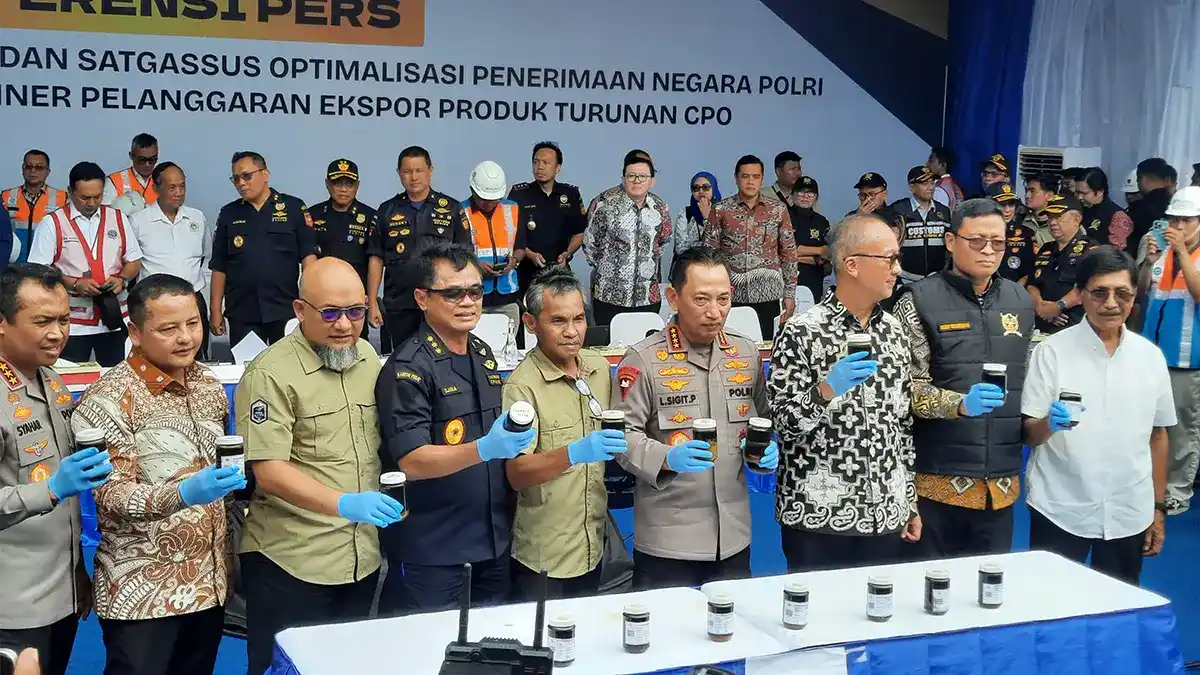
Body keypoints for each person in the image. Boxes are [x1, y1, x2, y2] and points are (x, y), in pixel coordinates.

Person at [235, 257, 401, 675]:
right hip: (292, 561)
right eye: (329, 313)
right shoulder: (270, 373)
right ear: (299, 310)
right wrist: (344, 503)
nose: (343, 325)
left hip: (358, 558)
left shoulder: (364, 355)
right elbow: (269, 471)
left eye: (355, 312)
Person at [71, 274, 243, 675]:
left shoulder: (210, 386)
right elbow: (108, 497)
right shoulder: (108, 400)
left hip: (209, 584)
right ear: (135, 330)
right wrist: (183, 493)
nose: (185, 337)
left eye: (193, 323)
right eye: (168, 329)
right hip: (142, 595)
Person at [375, 243, 533, 613]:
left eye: (474, 291)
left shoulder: (481, 351)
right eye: (452, 293)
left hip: (492, 540)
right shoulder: (408, 367)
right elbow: (412, 461)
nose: (467, 302)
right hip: (435, 550)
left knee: (491, 652)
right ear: (422, 298)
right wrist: (483, 449)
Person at [612, 245, 777, 588]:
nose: (715, 312)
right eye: (701, 299)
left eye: (724, 299)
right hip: (668, 544)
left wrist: (764, 453)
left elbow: (761, 422)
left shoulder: (745, 353)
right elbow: (622, 436)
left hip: (733, 538)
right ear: (673, 297)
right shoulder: (643, 359)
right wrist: (667, 457)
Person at [769, 214, 920, 571]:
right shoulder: (802, 332)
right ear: (851, 265)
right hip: (817, 517)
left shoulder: (896, 331)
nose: (897, 270)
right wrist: (826, 390)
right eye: (889, 259)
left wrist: (908, 500)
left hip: (885, 514)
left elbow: (902, 424)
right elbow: (783, 424)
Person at [893, 199, 1034, 557]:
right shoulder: (918, 299)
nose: (988, 250)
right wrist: (960, 405)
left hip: (1000, 484)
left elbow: (1028, 383)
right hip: (935, 479)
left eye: (998, 242)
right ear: (951, 241)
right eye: (977, 241)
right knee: (928, 595)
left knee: (988, 596)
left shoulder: (1020, 301)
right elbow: (905, 390)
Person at [1023, 247, 1173, 585]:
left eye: (1123, 293)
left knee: (1118, 613)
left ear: (1135, 297)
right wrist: (1050, 424)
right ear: (1081, 294)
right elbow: (1029, 433)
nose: (1111, 303)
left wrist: (1158, 507)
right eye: (1099, 292)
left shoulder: (1150, 358)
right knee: (1050, 607)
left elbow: (1158, 435)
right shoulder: (1052, 352)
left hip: (1128, 510)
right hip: (1060, 506)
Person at [0, 263, 112, 675]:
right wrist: (48, 490)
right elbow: (52, 492)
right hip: (11, 609)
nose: (57, 333)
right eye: (42, 321)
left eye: (64, 319)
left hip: (59, 596)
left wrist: (77, 573)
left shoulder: (51, 378)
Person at [502, 266, 622, 600]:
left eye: (579, 319)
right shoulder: (522, 387)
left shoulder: (599, 368)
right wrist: (573, 453)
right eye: (558, 321)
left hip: (592, 544)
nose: (572, 332)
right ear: (531, 323)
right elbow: (516, 472)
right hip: (544, 557)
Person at [27, 162, 143, 367]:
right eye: (85, 197)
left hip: (114, 319)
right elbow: (38, 271)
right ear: (70, 192)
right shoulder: (52, 223)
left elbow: (134, 261)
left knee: (117, 379)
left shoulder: (117, 218)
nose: (91, 203)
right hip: (72, 323)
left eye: (97, 197)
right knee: (69, 380)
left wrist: (122, 280)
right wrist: (73, 283)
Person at [209, 151, 318, 348]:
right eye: (235, 179)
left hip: (286, 310)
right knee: (247, 371)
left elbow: (309, 258)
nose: (241, 183)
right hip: (243, 312)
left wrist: (310, 303)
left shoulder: (293, 208)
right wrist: (215, 310)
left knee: (288, 371)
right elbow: (219, 266)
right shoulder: (229, 213)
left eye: (246, 176)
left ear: (265, 174)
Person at [1139, 186, 1200, 514]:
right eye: (1174, 219)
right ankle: (1152, 484)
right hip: (1154, 356)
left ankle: (1178, 491)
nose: (1177, 226)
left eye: (1186, 220)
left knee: (1182, 431)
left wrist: (1181, 254)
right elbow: (1144, 293)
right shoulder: (1165, 253)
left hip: (1187, 360)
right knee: (1152, 425)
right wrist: (1150, 263)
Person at [370, 146, 470, 346]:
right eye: (407, 172)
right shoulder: (387, 210)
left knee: (442, 361)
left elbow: (464, 258)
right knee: (400, 362)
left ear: (430, 170)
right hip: (399, 304)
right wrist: (372, 302)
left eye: (419, 171)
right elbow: (376, 257)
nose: (413, 177)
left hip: (441, 302)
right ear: (399, 173)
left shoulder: (451, 208)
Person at [703, 154, 799, 335]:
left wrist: (790, 294)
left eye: (756, 177)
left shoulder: (777, 209)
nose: (750, 182)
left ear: (762, 178)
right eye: (745, 176)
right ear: (736, 178)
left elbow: (789, 254)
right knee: (729, 347)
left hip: (769, 293)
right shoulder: (721, 210)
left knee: (767, 347)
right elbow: (709, 254)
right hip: (730, 294)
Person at [129, 162, 213, 359]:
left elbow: (205, 256)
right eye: (172, 187)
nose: (179, 193)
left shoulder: (197, 218)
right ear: (155, 188)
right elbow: (132, 262)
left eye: (182, 186)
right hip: (155, 302)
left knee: (195, 357)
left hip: (192, 299)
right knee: (156, 356)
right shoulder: (138, 221)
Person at [583, 154, 672, 328]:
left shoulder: (659, 207)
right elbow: (590, 244)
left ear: (652, 181)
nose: (637, 180)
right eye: (631, 176)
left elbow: (663, 241)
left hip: (647, 296)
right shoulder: (604, 204)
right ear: (623, 179)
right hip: (609, 296)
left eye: (643, 176)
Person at [308, 159, 378, 339]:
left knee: (357, 347)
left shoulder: (370, 217)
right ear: (327, 184)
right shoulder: (313, 215)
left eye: (349, 184)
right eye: (337, 183)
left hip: (355, 301)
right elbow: (307, 260)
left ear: (358, 186)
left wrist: (372, 303)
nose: (343, 189)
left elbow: (374, 263)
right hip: (323, 301)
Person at [507, 142, 587, 296]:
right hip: (527, 272)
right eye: (536, 162)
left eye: (546, 163)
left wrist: (567, 253)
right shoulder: (519, 194)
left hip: (560, 271)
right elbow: (511, 235)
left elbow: (579, 233)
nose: (540, 167)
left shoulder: (570, 194)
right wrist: (530, 254)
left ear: (558, 168)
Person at [461, 161, 526, 332]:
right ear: (472, 190)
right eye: (484, 200)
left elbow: (520, 246)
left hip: (509, 295)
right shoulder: (461, 212)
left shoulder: (512, 209)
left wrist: (514, 261)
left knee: (509, 346)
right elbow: (456, 253)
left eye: (494, 200)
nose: (489, 204)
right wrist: (476, 266)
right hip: (473, 296)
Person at [1028, 193, 1100, 334]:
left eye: (1058, 216)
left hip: (1072, 326)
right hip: (1040, 325)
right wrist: (1040, 307)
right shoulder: (1046, 248)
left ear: (1076, 219)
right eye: (1049, 217)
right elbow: (1031, 284)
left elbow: (1090, 287)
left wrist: (1057, 307)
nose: (1053, 222)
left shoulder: (1091, 249)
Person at [2, 150, 67, 264]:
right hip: (13, 265)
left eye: (39, 167)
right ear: (22, 169)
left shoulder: (63, 198)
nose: (33, 171)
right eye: (28, 166)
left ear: (48, 171)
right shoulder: (5, 196)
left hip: (46, 264)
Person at [891, 165, 952, 278]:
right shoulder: (898, 210)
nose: (930, 187)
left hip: (937, 279)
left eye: (932, 182)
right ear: (912, 187)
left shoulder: (944, 211)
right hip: (905, 278)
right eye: (925, 183)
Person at [790, 177, 831, 305]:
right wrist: (818, 251)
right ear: (792, 195)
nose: (806, 196)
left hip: (813, 280)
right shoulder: (782, 216)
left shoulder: (822, 221)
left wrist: (796, 255)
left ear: (816, 197)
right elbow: (783, 250)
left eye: (810, 193)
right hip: (787, 280)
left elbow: (827, 255)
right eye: (801, 192)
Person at [987, 182, 1037, 285]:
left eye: (1011, 204)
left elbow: (1032, 270)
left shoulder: (1026, 233)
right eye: (1002, 205)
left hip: (1014, 292)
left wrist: (1014, 291)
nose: (1007, 210)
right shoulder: (978, 231)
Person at [1129, 158, 1177, 259]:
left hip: (1146, 256)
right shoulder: (1176, 205)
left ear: (1143, 180)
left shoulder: (1139, 207)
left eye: (1138, 180)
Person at [1076, 167, 1134, 251]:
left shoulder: (1117, 216)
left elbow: (1116, 253)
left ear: (1100, 192)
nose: (1079, 197)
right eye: (1077, 192)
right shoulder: (1078, 210)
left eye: (1084, 193)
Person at [102, 133, 159, 215]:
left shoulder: (164, 180)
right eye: (142, 160)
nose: (147, 164)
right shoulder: (113, 182)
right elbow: (105, 215)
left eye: (152, 160)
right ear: (131, 156)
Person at [674, 171, 720, 254]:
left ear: (714, 188)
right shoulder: (686, 213)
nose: (701, 191)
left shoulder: (723, 213)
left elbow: (721, 246)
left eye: (706, 187)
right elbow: (679, 248)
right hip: (689, 265)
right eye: (696, 188)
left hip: (715, 265)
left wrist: (707, 217)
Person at [1023, 174, 1059, 246]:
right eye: (1026, 191)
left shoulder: (1063, 224)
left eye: (1032, 191)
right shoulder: (1019, 220)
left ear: (1049, 196)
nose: (1027, 195)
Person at [927, 146, 964, 210]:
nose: (927, 164)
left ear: (943, 165)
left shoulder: (940, 189)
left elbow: (937, 216)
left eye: (931, 161)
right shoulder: (955, 185)